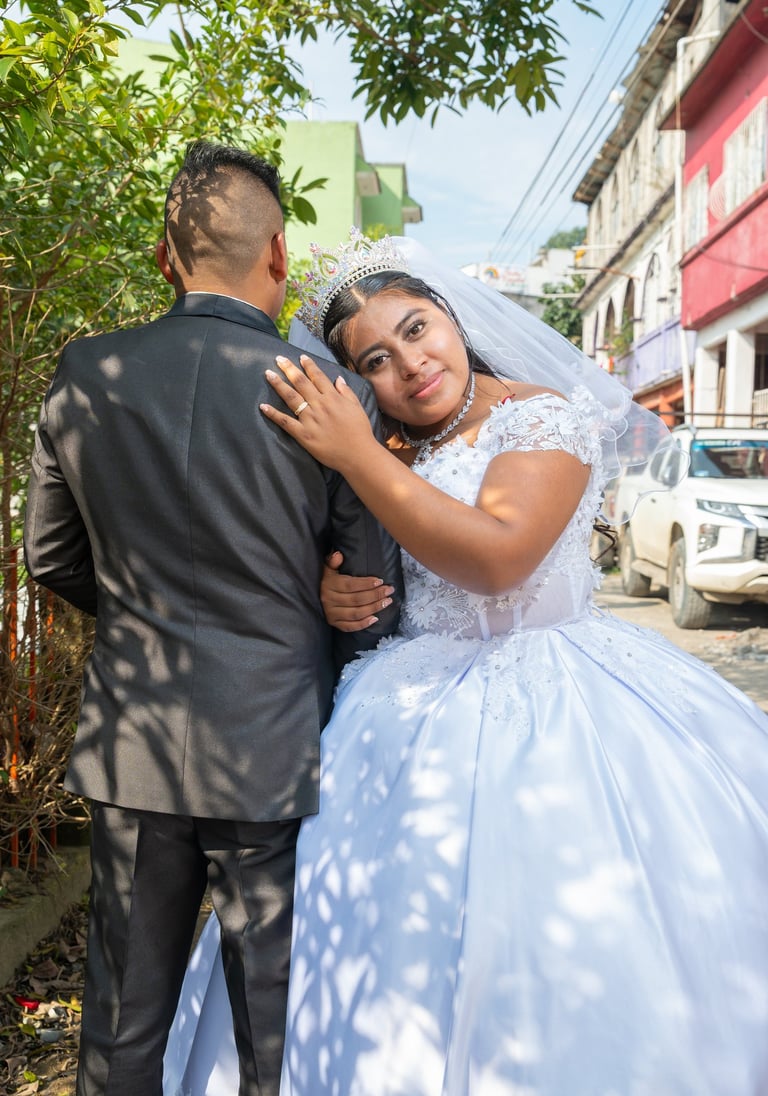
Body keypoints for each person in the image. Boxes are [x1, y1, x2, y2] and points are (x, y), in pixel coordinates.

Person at [165, 232, 768, 1095]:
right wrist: (332, 589)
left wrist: (355, 454)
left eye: (416, 329)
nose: (409, 364)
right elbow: (349, 560)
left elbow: (498, 558)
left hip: (566, 701)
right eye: (375, 360)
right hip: (405, 708)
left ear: (451, 315)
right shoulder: (386, 450)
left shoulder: (540, 416)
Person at [22, 149, 401, 1096]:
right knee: (274, 1025)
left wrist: (144, 613)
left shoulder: (88, 371)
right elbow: (368, 595)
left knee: (120, 1022)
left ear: (165, 257)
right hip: (277, 741)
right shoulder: (328, 393)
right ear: (278, 253)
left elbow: (50, 557)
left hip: (134, 742)